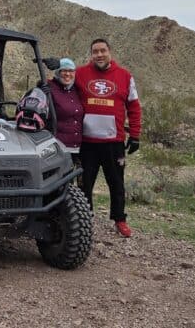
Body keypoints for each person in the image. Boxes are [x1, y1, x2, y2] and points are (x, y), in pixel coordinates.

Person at [75, 39, 141, 238]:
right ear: (91, 54)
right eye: (95, 51)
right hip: (86, 142)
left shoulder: (125, 76)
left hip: (114, 142)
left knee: (116, 183)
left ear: (110, 52)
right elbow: (63, 86)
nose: (99, 55)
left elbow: (134, 107)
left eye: (103, 51)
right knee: (84, 183)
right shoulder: (80, 73)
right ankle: (86, 218)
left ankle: (120, 219)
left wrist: (135, 135)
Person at [48, 58, 83, 150]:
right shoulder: (49, 89)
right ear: (57, 72)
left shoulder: (77, 90)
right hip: (57, 147)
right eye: (63, 70)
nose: (67, 74)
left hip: (78, 147)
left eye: (71, 71)